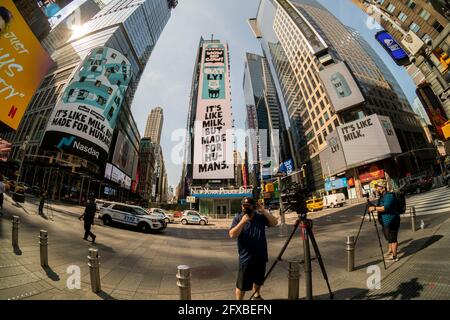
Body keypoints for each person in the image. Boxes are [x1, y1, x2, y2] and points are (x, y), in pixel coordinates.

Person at [229, 197, 278, 300]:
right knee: (242, 285)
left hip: (260, 256)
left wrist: (264, 211)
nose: (245, 208)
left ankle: (256, 295)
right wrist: (242, 222)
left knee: (258, 280)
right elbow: (232, 234)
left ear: (253, 207)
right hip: (246, 259)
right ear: (241, 206)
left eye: (248, 206)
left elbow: (274, 223)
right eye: (244, 206)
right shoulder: (238, 218)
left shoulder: (260, 217)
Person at [369, 180, 400, 262]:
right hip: (386, 221)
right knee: (389, 237)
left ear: (382, 188)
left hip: (392, 220)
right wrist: (371, 205)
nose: (376, 189)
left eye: (377, 187)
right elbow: (380, 206)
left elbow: (385, 208)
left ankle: (394, 256)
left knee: (393, 238)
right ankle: (390, 252)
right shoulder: (382, 196)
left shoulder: (389, 196)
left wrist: (374, 208)